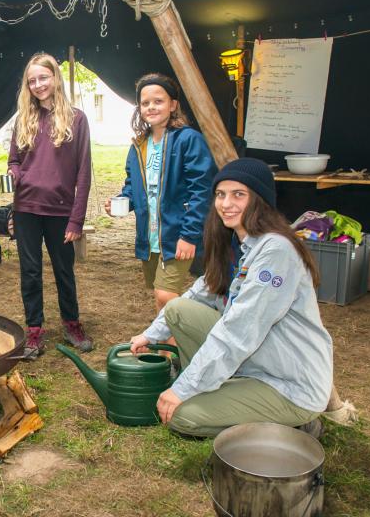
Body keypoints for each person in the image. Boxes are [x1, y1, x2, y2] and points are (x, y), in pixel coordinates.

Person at [129, 158, 333, 437]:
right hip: (257, 364)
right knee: (179, 308)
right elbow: (198, 293)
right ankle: (219, 388)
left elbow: (239, 331)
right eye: (220, 195)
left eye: (239, 194)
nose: (226, 204)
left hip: (289, 384)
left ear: (259, 200)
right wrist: (150, 335)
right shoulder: (239, 244)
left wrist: (182, 390)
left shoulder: (276, 252)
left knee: (183, 417)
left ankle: (295, 424)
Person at [106, 73, 216, 314]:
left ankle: (175, 348)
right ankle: (165, 350)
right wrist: (123, 200)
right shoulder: (139, 145)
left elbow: (202, 190)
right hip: (150, 236)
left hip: (177, 234)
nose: (151, 107)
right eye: (145, 103)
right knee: (161, 295)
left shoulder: (188, 140)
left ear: (173, 105)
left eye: (158, 101)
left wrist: (189, 236)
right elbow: (132, 186)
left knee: (165, 295)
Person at [7, 53, 93, 360]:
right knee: (30, 272)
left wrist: (76, 220)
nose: (38, 85)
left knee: (63, 269)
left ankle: (72, 323)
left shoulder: (76, 119)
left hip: (60, 210)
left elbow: (84, 171)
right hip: (26, 208)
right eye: (32, 81)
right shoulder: (24, 118)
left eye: (43, 78)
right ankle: (34, 329)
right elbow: (14, 160)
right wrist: (16, 174)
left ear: (55, 78)